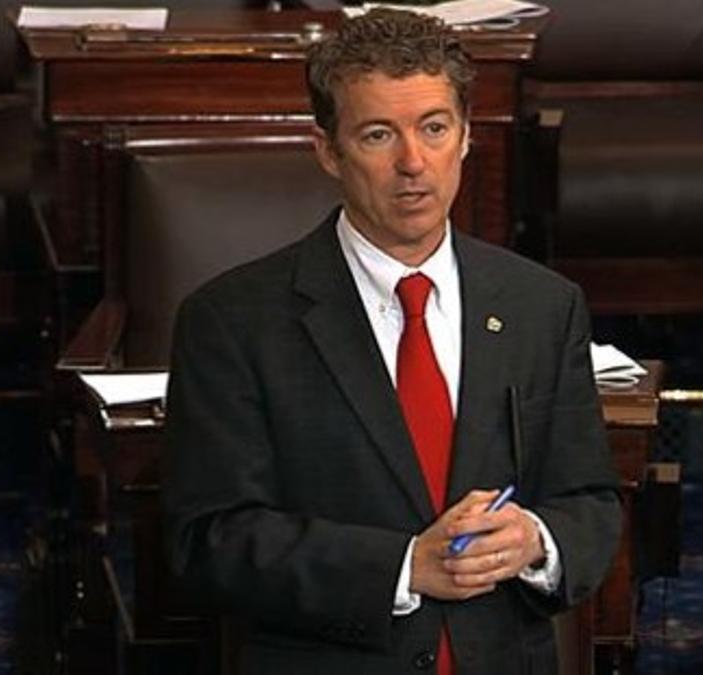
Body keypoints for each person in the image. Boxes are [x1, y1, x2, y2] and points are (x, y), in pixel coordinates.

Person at [162, 9, 621, 674]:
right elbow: (209, 540)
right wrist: (404, 566)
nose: (413, 162)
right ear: (329, 150)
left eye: (434, 128)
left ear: (465, 137)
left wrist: (535, 540)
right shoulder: (233, 320)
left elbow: (591, 502)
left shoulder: (542, 305)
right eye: (379, 134)